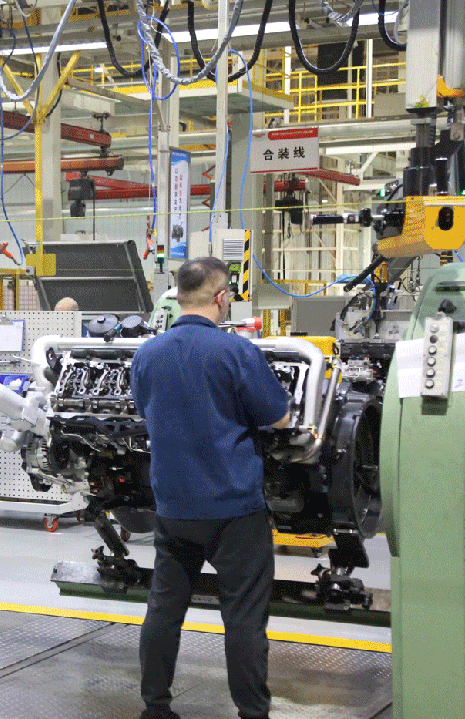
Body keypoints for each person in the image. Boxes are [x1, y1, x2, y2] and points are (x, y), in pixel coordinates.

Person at [129, 257, 291, 719]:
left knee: (164, 609)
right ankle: (252, 712)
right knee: (242, 617)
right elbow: (279, 417)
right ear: (221, 298)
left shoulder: (148, 354)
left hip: (174, 506)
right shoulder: (236, 352)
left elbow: (144, 410)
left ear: (179, 296)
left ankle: (155, 707)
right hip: (233, 507)